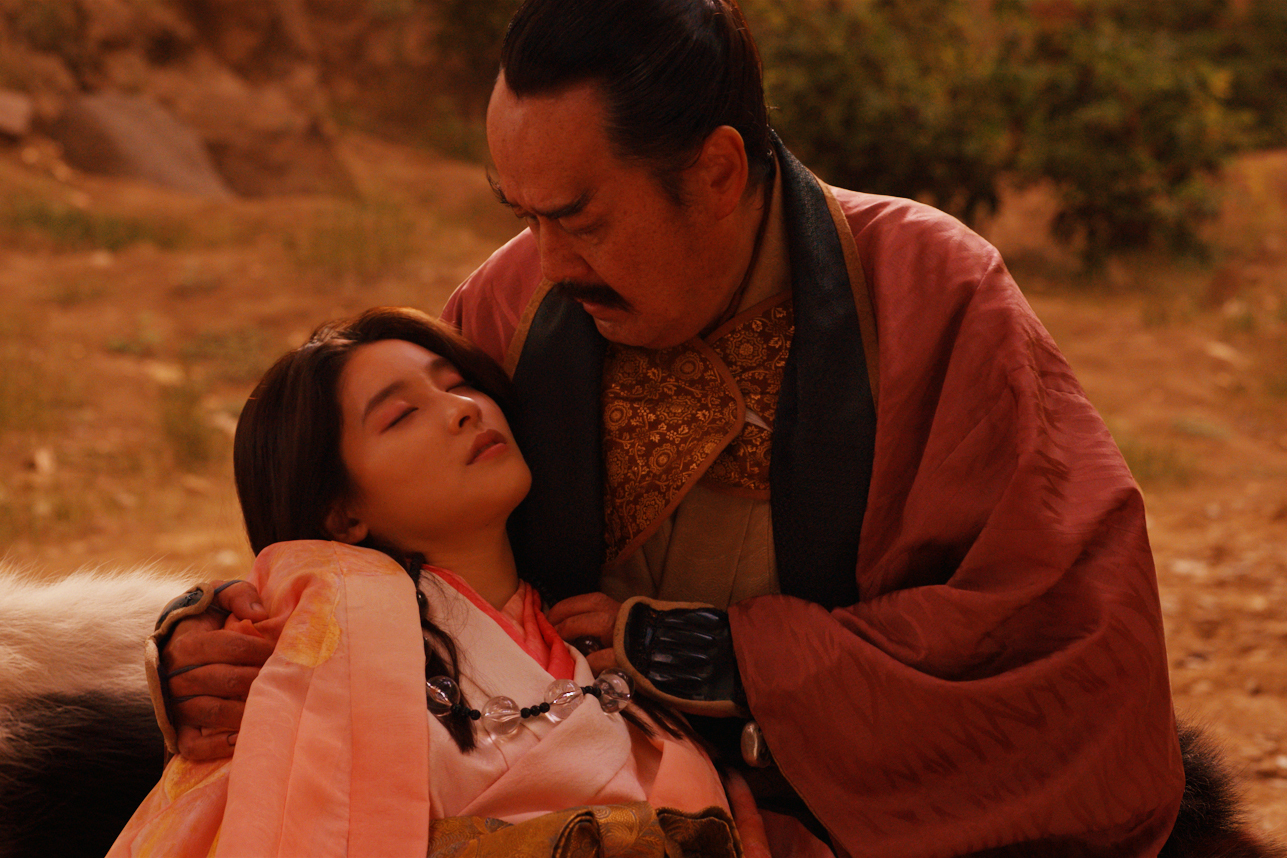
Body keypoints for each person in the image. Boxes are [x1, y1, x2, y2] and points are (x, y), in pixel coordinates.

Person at [159, 0, 1189, 855]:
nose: (548, 262)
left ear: (718, 172)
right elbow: (371, 535)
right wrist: (217, 652)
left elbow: (1063, 628)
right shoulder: (515, 302)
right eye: (522, 215)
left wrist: (744, 662)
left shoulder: (927, 288)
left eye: (580, 218)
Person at [110, 307, 761, 858]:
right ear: (341, 513)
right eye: (400, 415)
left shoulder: (591, 634)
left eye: (458, 383)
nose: (460, 410)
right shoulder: (322, 653)